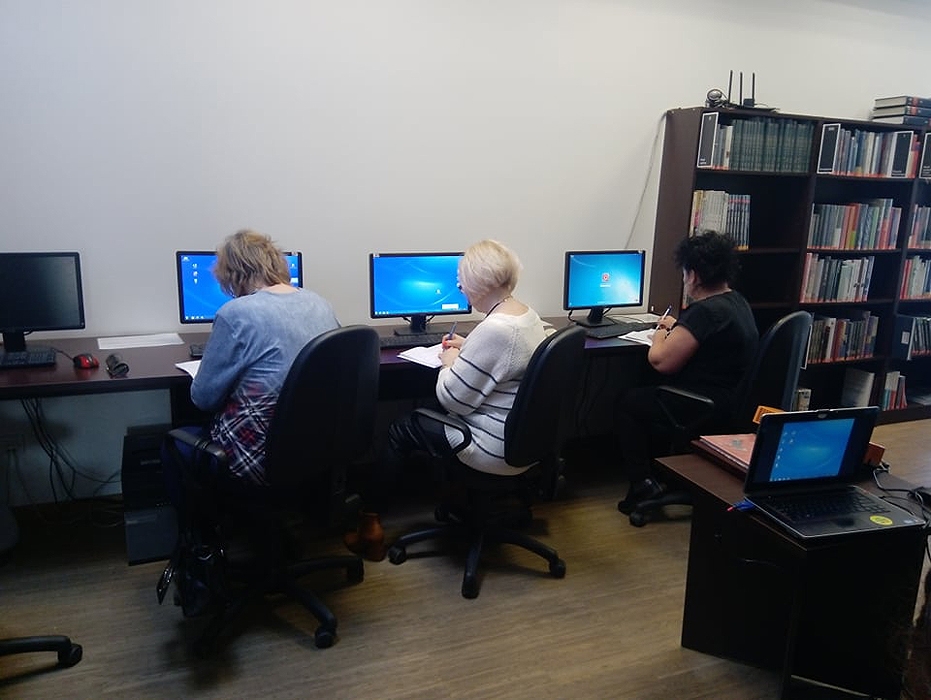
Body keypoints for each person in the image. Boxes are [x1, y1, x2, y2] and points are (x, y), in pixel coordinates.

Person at [172, 229, 339, 494]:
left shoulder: (235, 313)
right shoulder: (320, 304)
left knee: (175, 442)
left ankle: (199, 522)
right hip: (318, 446)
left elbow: (203, 399)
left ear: (232, 273)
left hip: (258, 456)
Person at [615, 231, 759, 513]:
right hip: (730, 402)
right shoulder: (735, 301)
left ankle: (642, 483)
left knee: (627, 402)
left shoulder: (704, 312)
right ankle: (663, 471)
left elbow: (661, 361)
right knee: (649, 391)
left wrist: (660, 333)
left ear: (693, 275)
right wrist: (679, 327)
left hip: (704, 404)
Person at [387, 239, 547, 476]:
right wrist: (470, 346)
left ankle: (380, 499)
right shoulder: (526, 315)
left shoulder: (496, 329)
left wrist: (448, 363)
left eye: (461, 283)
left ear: (478, 284)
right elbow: (510, 357)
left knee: (401, 427)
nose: (461, 289)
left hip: (489, 446)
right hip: (526, 442)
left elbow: (453, 402)